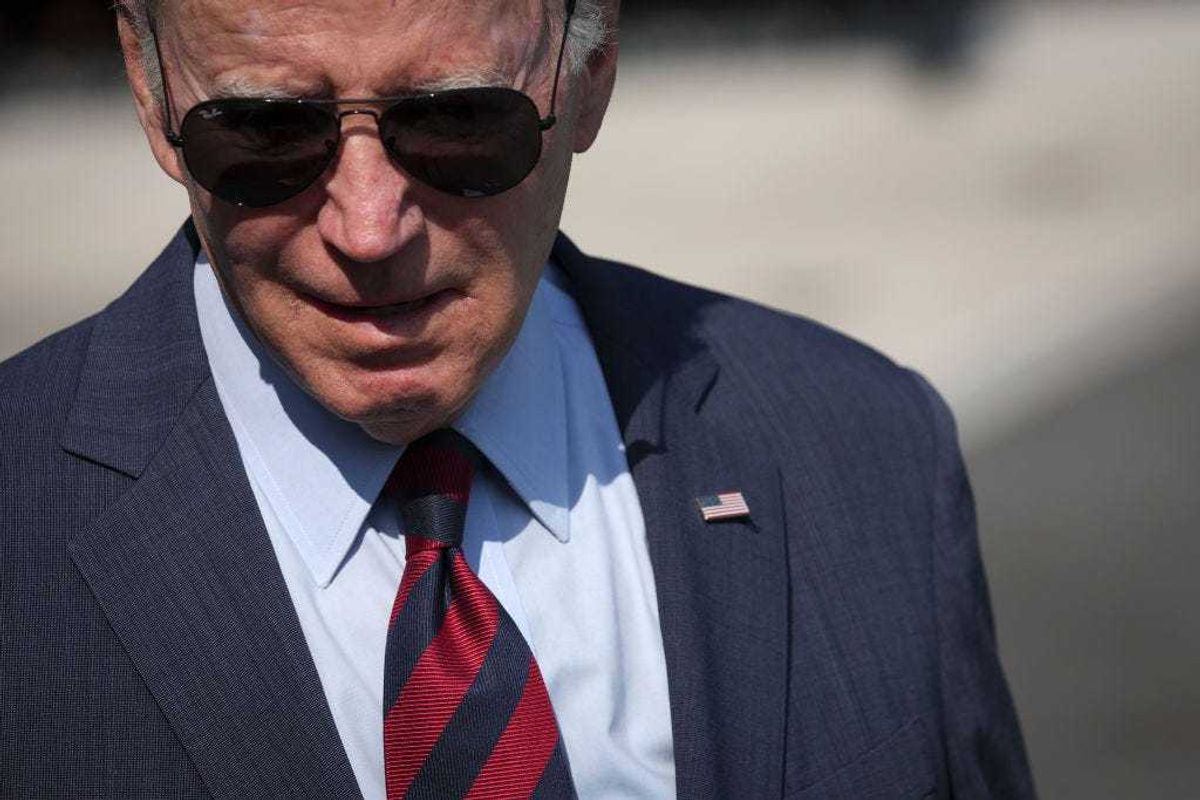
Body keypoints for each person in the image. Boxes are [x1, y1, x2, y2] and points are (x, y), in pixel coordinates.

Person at [0, 0, 1036, 797]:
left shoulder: (867, 449)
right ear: (150, 88)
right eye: (266, 133)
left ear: (589, 76)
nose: (370, 229)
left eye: (458, 123)